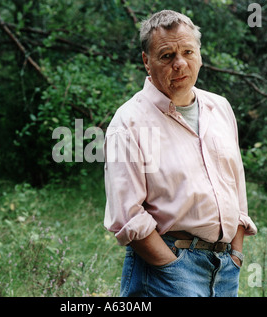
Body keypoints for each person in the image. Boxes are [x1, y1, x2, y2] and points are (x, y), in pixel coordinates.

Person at [103, 10, 257, 297]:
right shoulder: (129, 121)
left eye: (188, 51)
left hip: (225, 270)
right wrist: (171, 267)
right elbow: (127, 216)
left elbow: (236, 187)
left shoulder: (220, 108)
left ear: (199, 54)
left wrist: (235, 255)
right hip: (167, 271)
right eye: (167, 56)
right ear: (146, 61)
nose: (180, 63)